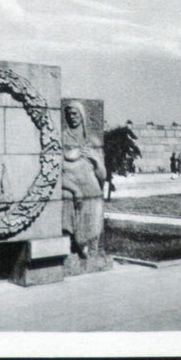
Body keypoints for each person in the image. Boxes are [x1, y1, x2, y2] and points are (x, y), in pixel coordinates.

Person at [61, 101, 107, 258]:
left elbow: (103, 176)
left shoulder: (92, 140)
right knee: (68, 203)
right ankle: (72, 246)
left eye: (75, 113)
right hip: (70, 185)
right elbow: (56, 172)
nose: (71, 117)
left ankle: (89, 245)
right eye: (68, 114)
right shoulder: (62, 137)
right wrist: (74, 189)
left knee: (95, 203)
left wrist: (97, 160)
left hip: (91, 185)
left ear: (82, 115)